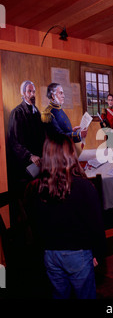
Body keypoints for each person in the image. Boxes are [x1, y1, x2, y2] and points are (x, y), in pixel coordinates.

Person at [25, 134, 106, 299]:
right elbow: (96, 225)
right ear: (71, 155)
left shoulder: (37, 188)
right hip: (79, 254)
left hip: (50, 254)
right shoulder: (84, 187)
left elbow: (36, 225)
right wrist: (98, 253)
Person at [7, 80, 46, 225]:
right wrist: (30, 156)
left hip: (38, 164)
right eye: (29, 91)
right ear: (23, 94)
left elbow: (42, 137)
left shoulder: (36, 113)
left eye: (34, 91)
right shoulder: (17, 113)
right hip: (23, 166)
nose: (32, 94)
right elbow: (14, 142)